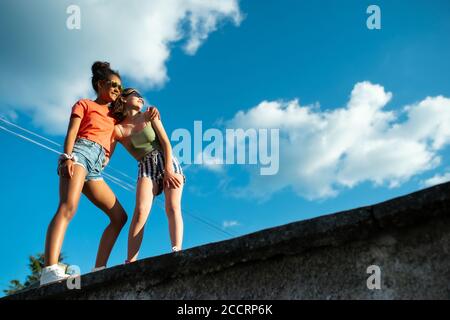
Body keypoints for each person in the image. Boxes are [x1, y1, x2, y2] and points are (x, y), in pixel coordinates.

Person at [40, 62, 160, 285]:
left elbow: (129, 123)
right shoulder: (84, 104)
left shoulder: (115, 118)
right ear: (99, 84)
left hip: (95, 168)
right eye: (112, 84)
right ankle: (49, 269)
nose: (117, 89)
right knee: (68, 207)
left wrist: (151, 111)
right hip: (80, 154)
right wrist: (67, 157)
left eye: (119, 86)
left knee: (119, 217)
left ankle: (98, 268)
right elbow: (72, 132)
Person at [110, 88, 185, 263]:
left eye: (141, 96)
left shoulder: (150, 115)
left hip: (167, 160)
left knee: (172, 207)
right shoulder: (118, 130)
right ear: (124, 99)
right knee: (141, 211)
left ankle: (176, 250)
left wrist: (168, 170)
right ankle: (130, 260)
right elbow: (107, 153)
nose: (140, 98)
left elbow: (166, 143)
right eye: (135, 95)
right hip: (145, 166)